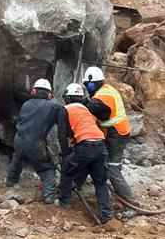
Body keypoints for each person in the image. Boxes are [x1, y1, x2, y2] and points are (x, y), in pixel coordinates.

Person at [81, 67, 140, 218]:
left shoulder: (101, 98)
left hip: (116, 134)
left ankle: (133, 205)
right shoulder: (106, 89)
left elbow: (89, 109)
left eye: (88, 84)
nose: (87, 87)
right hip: (116, 132)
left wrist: (76, 103)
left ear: (93, 84)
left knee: (113, 170)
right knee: (100, 161)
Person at [57, 83, 114, 224]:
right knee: (100, 182)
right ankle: (107, 214)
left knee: (67, 171)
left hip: (85, 145)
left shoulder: (65, 109)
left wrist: (65, 155)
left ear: (67, 98)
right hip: (101, 146)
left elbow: (61, 135)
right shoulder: (87, 110)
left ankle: (64, 202)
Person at [6, 79, 60, 204]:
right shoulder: (53, 107)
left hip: (19, 140)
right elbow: (62, 122)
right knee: (45, 168)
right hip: (36, 144)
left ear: (34, 91)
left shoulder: (26, 104)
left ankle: (10, 183)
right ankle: (49, 196)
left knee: (17, 158)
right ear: (49, 94)